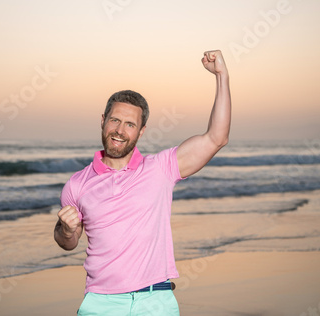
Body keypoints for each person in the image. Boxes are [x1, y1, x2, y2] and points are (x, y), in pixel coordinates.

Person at [54, 49, 231, 315]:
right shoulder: (77, 184)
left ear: (141, 131)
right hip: (100, 302)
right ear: (103, 121)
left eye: (129, 124)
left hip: (155, 300)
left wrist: (222, 76)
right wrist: (66, 230)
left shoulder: (161, 168)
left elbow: (217, 138)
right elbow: (68, 242)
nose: (120, 131)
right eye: (114, 120)